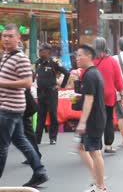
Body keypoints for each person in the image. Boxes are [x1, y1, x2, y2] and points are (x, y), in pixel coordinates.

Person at [0, 24, 49, 187]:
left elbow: (28, 82)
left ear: (18, 38)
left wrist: (2, 83)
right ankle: (40, 171)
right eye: (4, 36)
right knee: (21, 140)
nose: (6, 39)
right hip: (12, 107)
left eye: (10, 36)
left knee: (2, 145)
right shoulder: (8, 55)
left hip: (9, 108)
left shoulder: (20, 57)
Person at [75, 44, 107, 192]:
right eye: (77, 55)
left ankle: (100, 186)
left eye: (80, 55)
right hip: (96, 117)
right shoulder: (92, 73)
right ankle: (96, 178)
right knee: (81, 147)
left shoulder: (90, 75)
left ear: (89, 56)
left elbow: (89, 99)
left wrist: (82, 122)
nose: (77, 58)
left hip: (93, 119)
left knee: (95, 151)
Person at [93, 37, 123, 154]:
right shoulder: (112, 61)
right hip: (108, 95)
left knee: (95, 119)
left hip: (94, 95)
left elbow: (82, 75)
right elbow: (118, 80)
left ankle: (96, 145)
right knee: (108, 119)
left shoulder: (91, 61)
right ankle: (108, 145)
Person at [34, 43, 70, 145]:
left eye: (42, 50)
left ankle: (53, 137)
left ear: (48, 52)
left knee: (53, 115)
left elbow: (66, 73)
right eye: (39, 50)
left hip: (51, 92)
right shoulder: (38, 62)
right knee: (41, 116)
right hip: (41, 93)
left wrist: (62, 85)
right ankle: (37, 139)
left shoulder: (54, 63)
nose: (40, 52)